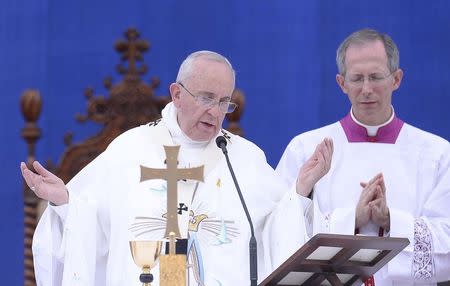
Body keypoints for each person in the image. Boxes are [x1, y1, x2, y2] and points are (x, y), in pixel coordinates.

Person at [21, 51, 307, 286]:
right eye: (207, 98)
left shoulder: (243, 158)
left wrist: (300, 193)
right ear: (177, 94)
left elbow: (279, 231)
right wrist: (64, 204)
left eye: (224, 102)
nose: (216, 112)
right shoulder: (129, 150)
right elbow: (90, 225)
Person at [276, 28, 450, 285]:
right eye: (357, 78)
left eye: (376, 77)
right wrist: (351, 220)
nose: (367, 89)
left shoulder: (437, 154)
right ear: (341, 83)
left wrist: (390, 220)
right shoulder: (306, 149)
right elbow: (277, 235)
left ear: (397, 79)